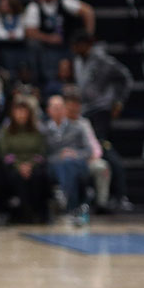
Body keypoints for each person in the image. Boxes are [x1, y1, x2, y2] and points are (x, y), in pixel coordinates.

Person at [43, 95, 92, 225]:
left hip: (76, 163)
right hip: (53, 166)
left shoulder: (78, 127)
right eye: (55, 108)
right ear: (48, 110)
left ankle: (64, 196)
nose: (58, 110)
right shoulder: (43, 130)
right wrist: (60, 156)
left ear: (65, 109)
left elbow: (88, 151)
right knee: (65, 164)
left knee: (69, 164)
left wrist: (75, 154)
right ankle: (73, 207)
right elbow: (43, 155)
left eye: (60, 107)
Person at [0, 99, 48, 223]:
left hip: (33, 165)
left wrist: (30, 165)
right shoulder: (7, 131)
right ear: (13, 113)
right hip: (14, 166)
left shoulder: (37, 130)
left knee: (39, 176)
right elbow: (4, 153)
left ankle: (38, 212)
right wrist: (19, 166)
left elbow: (41, 152)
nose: (21, 114)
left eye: (23, 111)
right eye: (18, 111)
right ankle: (24, 212)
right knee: (16, 177)